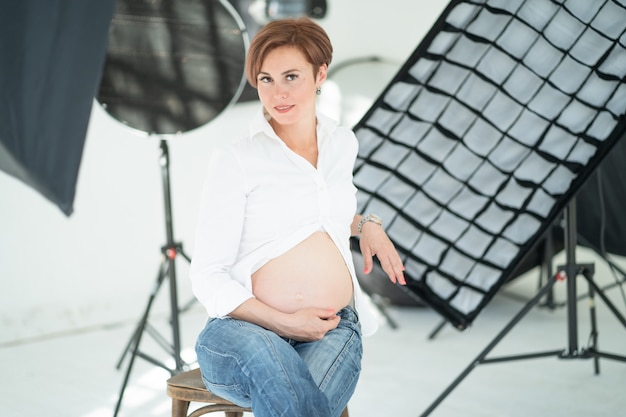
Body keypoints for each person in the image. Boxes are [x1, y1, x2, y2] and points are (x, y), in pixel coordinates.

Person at [190, 17, 406, 417]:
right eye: (266, 79)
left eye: (291, 76)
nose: (277, 93)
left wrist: (366, 225)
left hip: (332, 327)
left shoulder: (342, 143)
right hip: (242, 333)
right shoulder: (237, 158)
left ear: (320, 73)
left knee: (298, 405)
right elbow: (206, 274)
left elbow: (326, 214)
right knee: (297, 398)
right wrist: (282, 322)